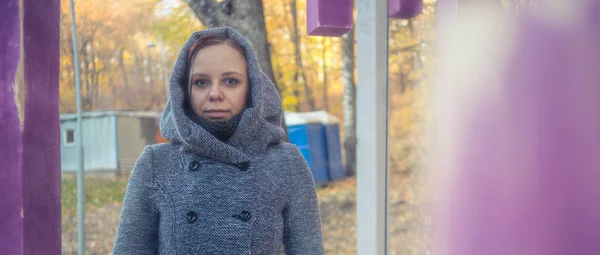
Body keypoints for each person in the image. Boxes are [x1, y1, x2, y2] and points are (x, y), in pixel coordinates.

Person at [112, 27, 325, 254]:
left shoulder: (286, 163)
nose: (215, 93)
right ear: (183, 90)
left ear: (252, 88)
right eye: (201, 82)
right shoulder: (156, 163)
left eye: (230, 81)